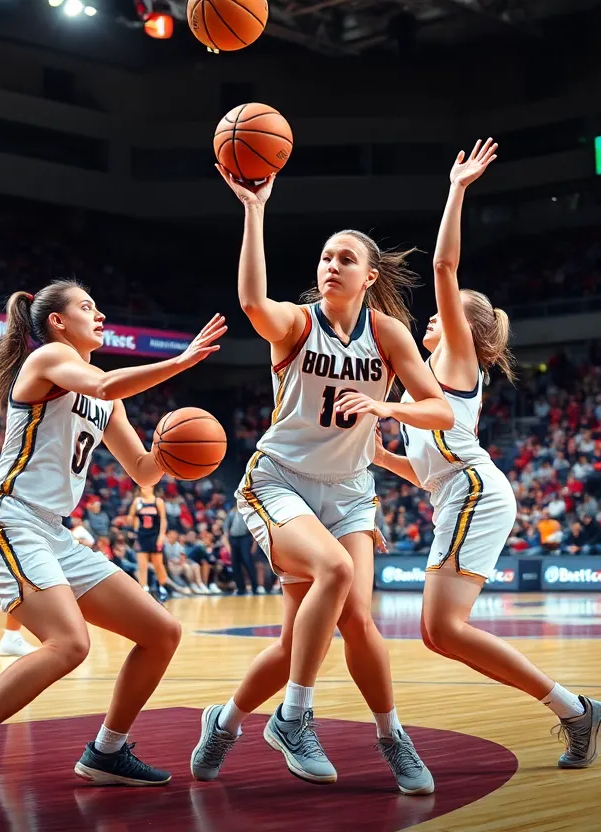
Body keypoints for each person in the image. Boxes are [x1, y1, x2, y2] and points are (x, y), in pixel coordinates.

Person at [0, 282, 225, 826]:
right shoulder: (51, 359)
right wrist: (180, 360)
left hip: (53, 531)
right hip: (7, 518)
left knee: (161, 632)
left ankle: (107, 750)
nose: (100, 313)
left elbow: (145, 472)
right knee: (68, 643)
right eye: (87, 306)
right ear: (57, 322)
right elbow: (104, 381)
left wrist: (181, 450)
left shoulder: (106, 399)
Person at [190, 166, 454, 794]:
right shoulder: (297, 324)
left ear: (369, 276)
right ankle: (294, 717)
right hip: (280, 480)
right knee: (335, 574)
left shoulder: (388, 334)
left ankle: (233, 723)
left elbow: (440, 410)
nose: (331, 265)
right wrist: (254, 209)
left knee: (336, 629)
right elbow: (253, 301)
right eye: (324, 257)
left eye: (345, 258)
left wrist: (388, 409)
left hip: (350, 493)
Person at [370, 139, 601, 769]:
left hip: (475, 493)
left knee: (442, 631)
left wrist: (456, 190)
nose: (427, 319)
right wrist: (379, 453)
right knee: (438, 633)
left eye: (440, 316)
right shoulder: (425, 378)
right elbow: (427, 469)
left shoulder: (454, 356)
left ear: (462, 325)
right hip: (458, 492)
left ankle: (576, 710)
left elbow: (445, 269)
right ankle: (575, 710)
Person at [128, 484, 175, 600]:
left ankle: (163, 587)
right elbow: (130, 517)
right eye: (143, 487)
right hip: (142, 536)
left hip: (155, 536)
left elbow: (163, 519)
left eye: (147, 487)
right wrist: (135, 524)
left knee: (158, 564)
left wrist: (162, 535)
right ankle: (143, 589)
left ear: (153, 488)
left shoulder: (158, 501)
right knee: (142, 565)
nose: (145, 489)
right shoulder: (137, 501)